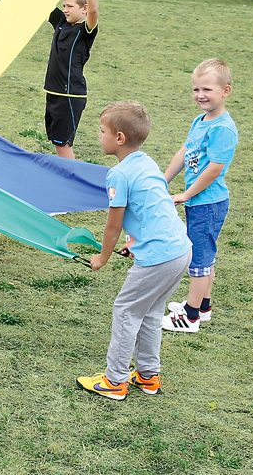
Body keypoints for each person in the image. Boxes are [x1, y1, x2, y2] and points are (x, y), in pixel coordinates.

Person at [76, 101, 192, 400]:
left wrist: (102, 257)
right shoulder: (146, 162)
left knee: (126, 310)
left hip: (158, 258)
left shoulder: (119, 175)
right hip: (180, 249)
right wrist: (134, 242)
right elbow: (152, 207)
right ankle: (148, 376)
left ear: (119, 138)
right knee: (150, 311)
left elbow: (112, 225)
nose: (98, 135)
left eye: (102, 131)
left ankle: (114, 381)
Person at [161, 59, 238, 333]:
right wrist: (164, 180)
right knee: (205, 255)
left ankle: (190, 317)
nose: (200, 95)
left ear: (225, 90)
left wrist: (186, 193)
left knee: (200, 258)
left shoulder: (223, 129)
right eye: (195, 89)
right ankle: (203, 307)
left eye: (207, 89)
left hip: (208, 202)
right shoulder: (201, 120)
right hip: (198, 201)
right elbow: (185, 151)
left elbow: (214, 170)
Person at [23, 0, 99, 159]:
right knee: (57, 144)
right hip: (53, 92)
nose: (65, 10)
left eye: (70, 6)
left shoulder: (84, 31)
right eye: (64, 5)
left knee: (63, 146)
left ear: (84, 9)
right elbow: (44, 3)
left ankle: (69, 182)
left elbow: (94, 12)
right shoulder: (60, 23)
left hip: (70, 96)